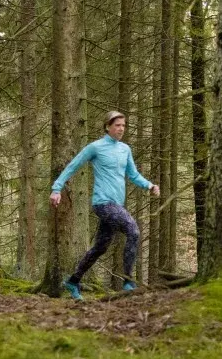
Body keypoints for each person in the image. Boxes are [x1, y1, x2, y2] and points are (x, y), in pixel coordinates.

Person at [51, 111, 159, 301]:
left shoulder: (125, 149)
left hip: (116, 204)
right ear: (107, 126)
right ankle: (127, 281)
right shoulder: (95, 148)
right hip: (102, 203)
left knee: (100, 248)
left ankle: (73, 281)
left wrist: (149, 185)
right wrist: (56, 188)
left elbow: (133, 175)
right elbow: (73, 166)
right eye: (117, 125)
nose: (121, 129)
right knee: (133, 231)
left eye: (124, 125)